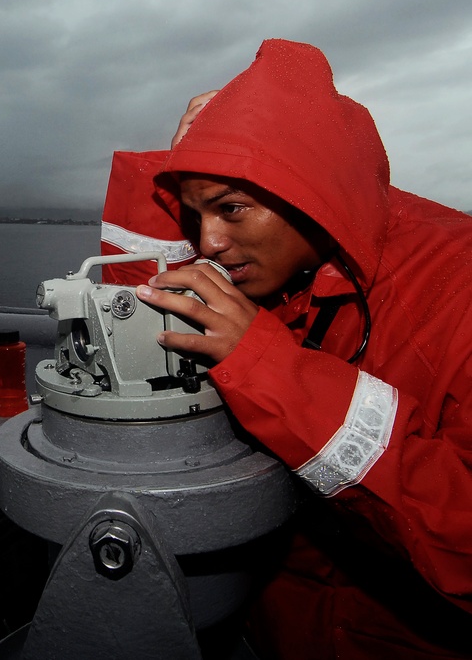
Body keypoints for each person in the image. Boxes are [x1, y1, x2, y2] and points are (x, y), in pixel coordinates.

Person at [100, 38, 472, 658]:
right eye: (194, 215)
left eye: (233, 208)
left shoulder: (457, 284)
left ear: (313, 194)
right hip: (278, 627)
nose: (208, 241)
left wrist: (270, 369)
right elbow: (138, 321)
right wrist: (178, 170)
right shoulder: (268, 265)